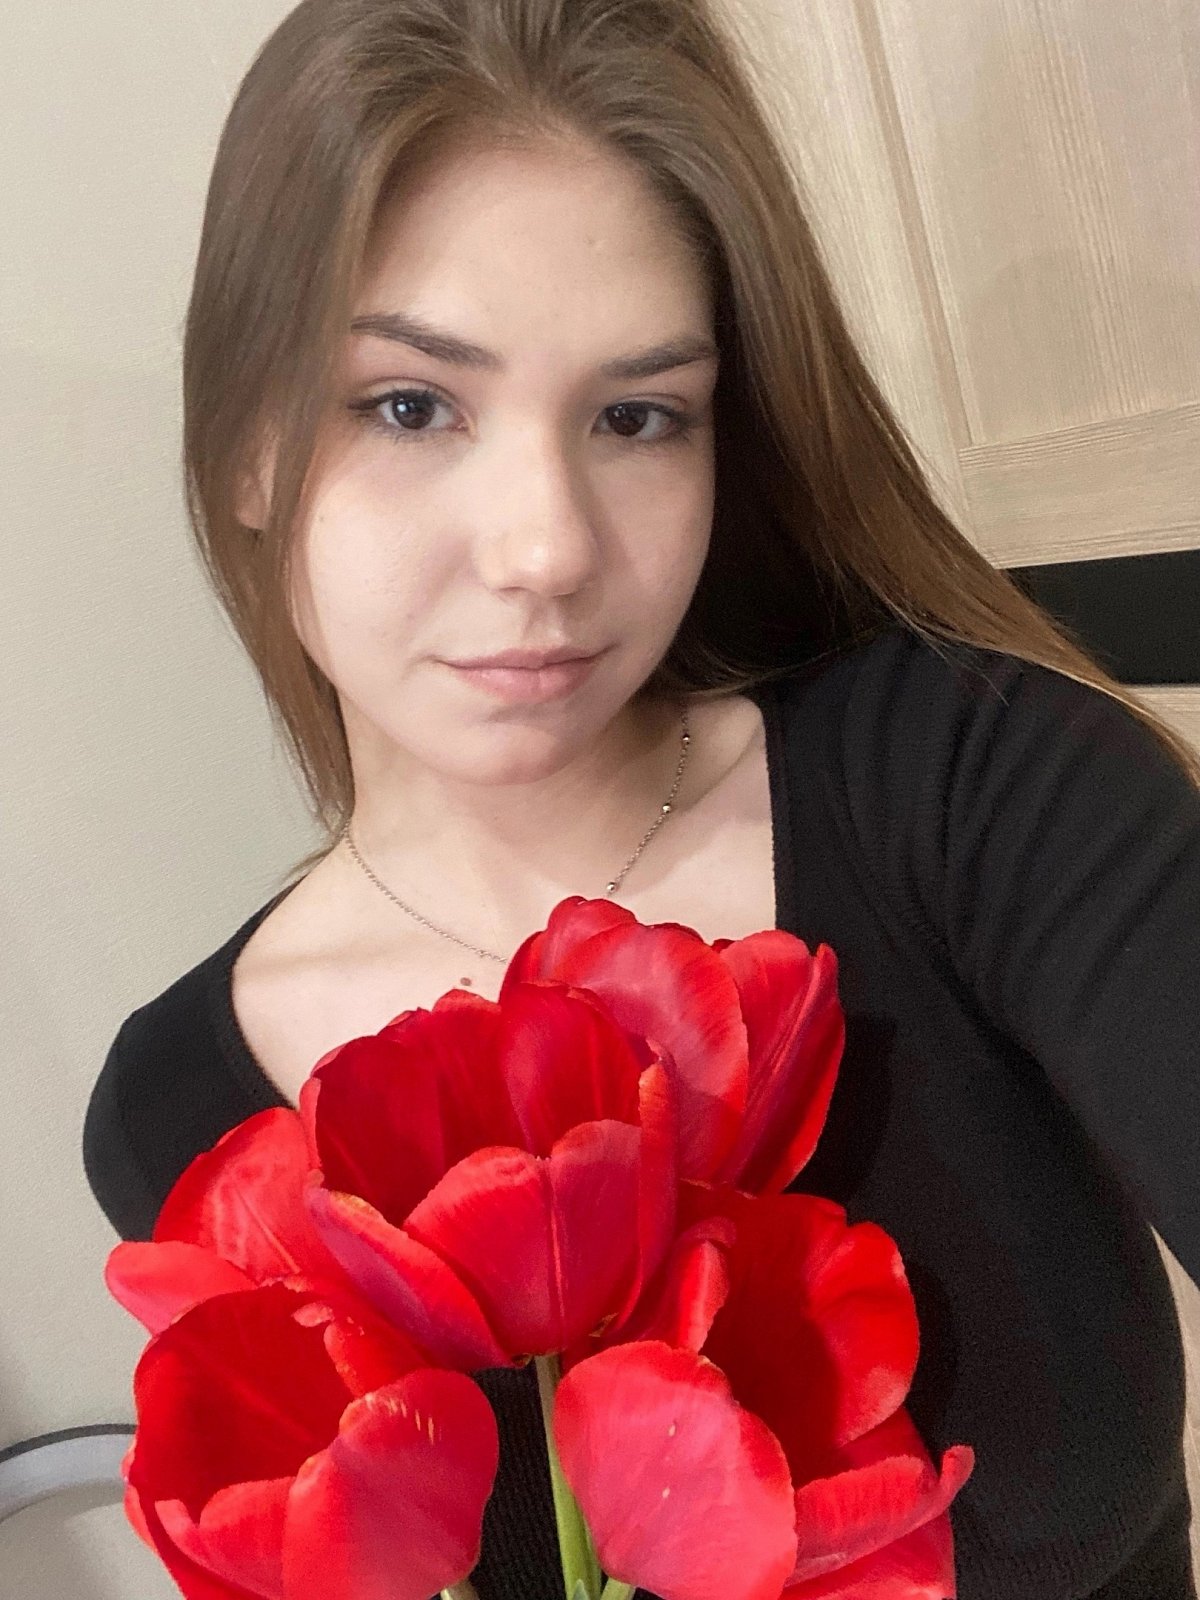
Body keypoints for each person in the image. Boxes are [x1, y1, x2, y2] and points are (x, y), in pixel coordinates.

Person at [82, 1, 1200, 1596]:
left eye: (637, 416)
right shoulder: (181, 1119)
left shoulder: (982, 787)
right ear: (249, 443)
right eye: (410, 404)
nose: (547, 548)